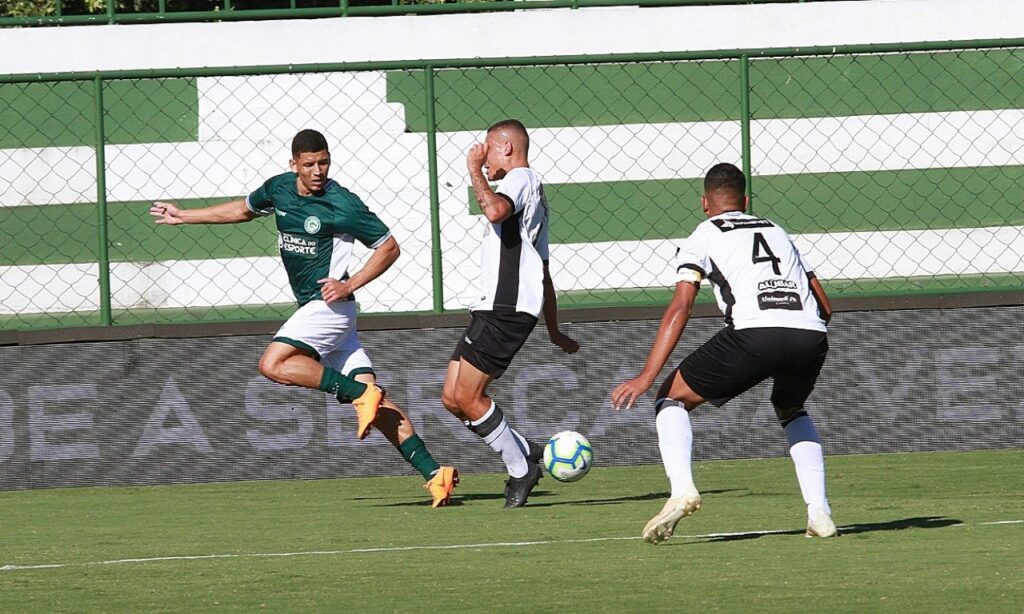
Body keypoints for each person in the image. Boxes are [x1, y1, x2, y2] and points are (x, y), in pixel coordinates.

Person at [149, 129, 459, 508]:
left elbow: (389, 247)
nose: (318, 170)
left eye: (324, 162)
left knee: (274, 363)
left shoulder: (342, 203)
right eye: (309, 163)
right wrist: (185, 217)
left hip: (328, 307)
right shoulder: (278, 189)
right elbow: (242, 210)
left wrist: (350, 284)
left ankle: (362, 393)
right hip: (324, 314)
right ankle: (435, 474)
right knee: (379, 410)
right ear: (293, 164)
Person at [611, 162, 837, 543]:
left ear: (704, 202)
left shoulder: (703, 235)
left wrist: (646, 376)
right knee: (790, 407)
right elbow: (825, 307)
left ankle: (681, 490)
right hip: (810, 335)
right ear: (745, 201)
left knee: (671, 398)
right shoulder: (776, 230)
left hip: (754, 334)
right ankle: (820, 514)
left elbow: (681, 306)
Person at [441, 119, 579, 508]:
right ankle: (523, 448)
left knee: (469, 397)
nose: (484, 160)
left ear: (505, 147)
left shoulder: (519, 180)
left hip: (506, 309)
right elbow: (545, 270)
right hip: (495, 308)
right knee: (452, 398)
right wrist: (553, 329)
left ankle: (521, 469)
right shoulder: (529, 191)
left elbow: (495, 211)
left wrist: (472, 170)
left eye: (487, 150)